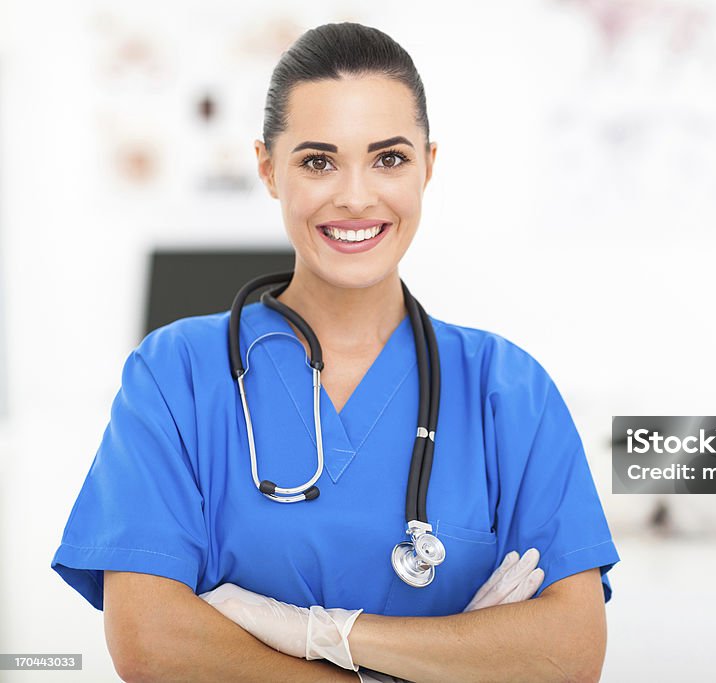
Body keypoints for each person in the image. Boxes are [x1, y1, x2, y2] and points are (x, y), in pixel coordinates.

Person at [51, 21, 619, 682]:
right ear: (268, 168)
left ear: (428, 166)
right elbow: (150, 641)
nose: (355, 195)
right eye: (318, 160)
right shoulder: (175, 376)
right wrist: (437, 658)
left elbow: (570, 649)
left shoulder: (507, 389)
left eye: (389, 158)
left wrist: (328, 633)